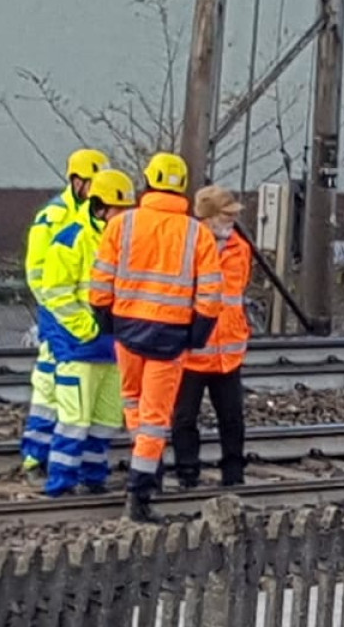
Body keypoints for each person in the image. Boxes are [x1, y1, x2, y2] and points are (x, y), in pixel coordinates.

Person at [90, 151, 224, 522]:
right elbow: (211, 291)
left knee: (132, 401)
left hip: (127, 328)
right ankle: (140, 491)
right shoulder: (198, 233)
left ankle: (144, 465)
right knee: (155, 416)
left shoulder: (123, 225)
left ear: (147, 182)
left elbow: (101, 278)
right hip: (171, 334)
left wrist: (104, 315)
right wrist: (199, 330)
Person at [36, 169, 136, 497]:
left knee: (105, 420)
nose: (123, 217)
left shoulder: (124, 240)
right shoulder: (71, 239)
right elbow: (55, 292)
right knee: (74, 420)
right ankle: (61, 483)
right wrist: (86, 329)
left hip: (111, 346)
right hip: (81, 346)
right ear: (99, 206)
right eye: (118, 211)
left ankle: (93, 479)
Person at [19, 147, 108, 472]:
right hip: (58, 312)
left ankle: (55, 455)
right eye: (91, 182)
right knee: (49, 382)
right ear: (77, 181)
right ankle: (37, 454)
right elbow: (37, 271)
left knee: (68, 389)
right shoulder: (55, 216)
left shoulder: (89, 214)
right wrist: (57, 310)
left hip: (78, 313)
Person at [172, 186, 256, 489]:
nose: (233, 219)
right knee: (184, 418)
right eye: (227, 214)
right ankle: (187, 474)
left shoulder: (240, 248)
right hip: (194, 350)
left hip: (227, 350)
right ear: (206, 217)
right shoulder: (186, 246)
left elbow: (236, 293)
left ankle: (233, 475)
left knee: (232, 418)